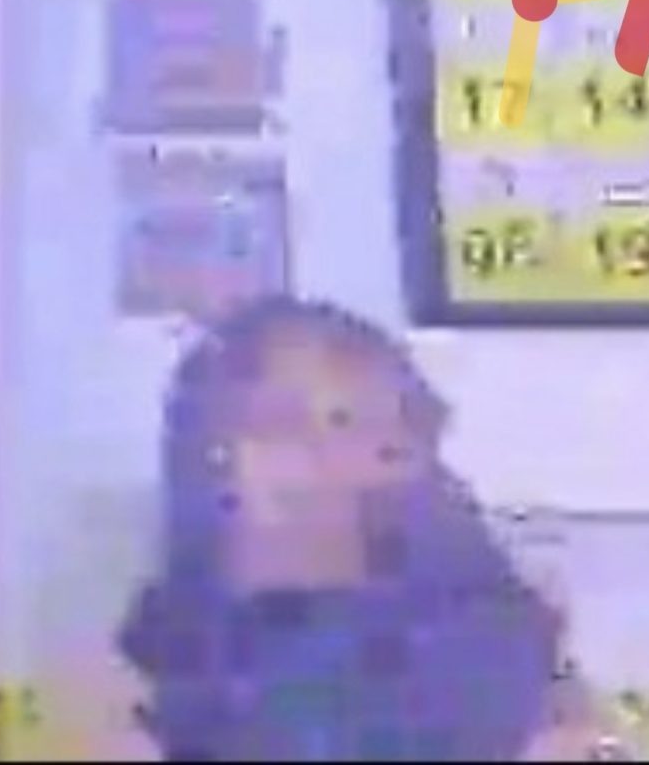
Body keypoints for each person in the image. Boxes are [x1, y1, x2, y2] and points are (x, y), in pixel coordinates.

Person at [119, 296, 605, 761]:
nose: (312, 455)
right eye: (277, 422)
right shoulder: (146, 659)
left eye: (347, 423)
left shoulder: (497, 645)